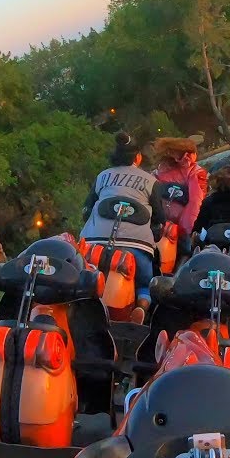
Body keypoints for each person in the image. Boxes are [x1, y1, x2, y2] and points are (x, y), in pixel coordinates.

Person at [80, 132, 165, 323]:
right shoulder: (151, 181)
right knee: (145, 281)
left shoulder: (102, 176)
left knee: (82, 275)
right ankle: (142, 306)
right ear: (138, 157)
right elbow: (160, 217)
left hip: (94, 243)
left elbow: (86, 210)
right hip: (135, 244)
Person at [151, 137, 206, 238]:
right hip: (180, 228)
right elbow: (195, 202)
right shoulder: (195, 172)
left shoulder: (159, 171)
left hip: (157, 225)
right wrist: (185, 230)